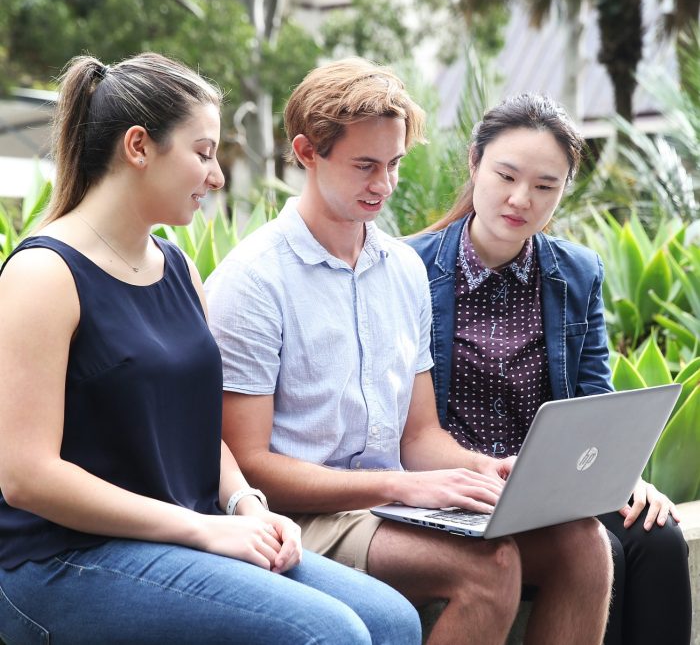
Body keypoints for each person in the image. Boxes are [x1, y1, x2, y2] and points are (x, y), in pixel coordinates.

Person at [0, 52, 423, 645]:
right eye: (203, 153)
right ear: (139, 146)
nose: (217, 175)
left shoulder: (175, 267)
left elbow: (204, 432)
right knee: (330, 636)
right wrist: (201, 531)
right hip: (64, 560)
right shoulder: (44, 274)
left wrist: (246, 504)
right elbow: (27, 478)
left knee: (392, 621)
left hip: (178, 537)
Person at [205, 57, 614, 645]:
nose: (385, 184)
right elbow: (249, 463)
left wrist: (489, 472)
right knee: (489, 570)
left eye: (394, 163)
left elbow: (418, 439)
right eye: (365, 165)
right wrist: (403, 487)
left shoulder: (401, 269)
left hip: (391, 507)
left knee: (584, 544)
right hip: (299, 519)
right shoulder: (255, 279)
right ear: (306, 152)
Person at [407, 92, 692, 645]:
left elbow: (595, 405)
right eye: (506, 176)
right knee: (596, 548)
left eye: (545, 186)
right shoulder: (410, 268)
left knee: (659, 539)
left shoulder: (576, 273)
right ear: (474, 163)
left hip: (554, 487)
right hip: (458, 488)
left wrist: (625, 478)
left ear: (564, 190)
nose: (521, 199)